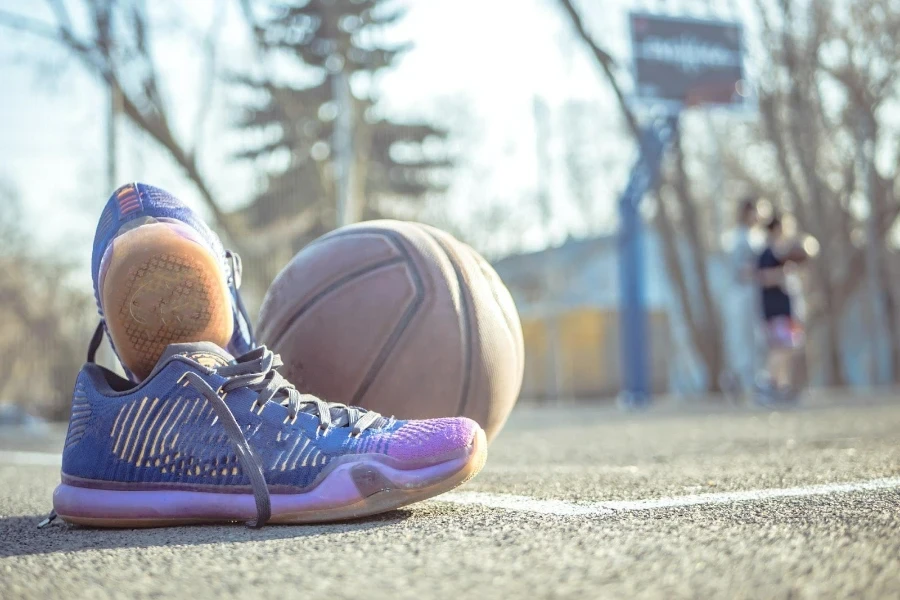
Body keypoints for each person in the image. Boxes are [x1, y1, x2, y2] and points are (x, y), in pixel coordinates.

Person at [40, 182, 487, 529]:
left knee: (208, 377)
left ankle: (122, 443)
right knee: (207, 376)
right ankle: (234, 402)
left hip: (127, 441)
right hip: (205, 408)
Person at [757, 213, 805, 398]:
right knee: (780, 347)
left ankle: (781, 387)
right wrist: (782, 273)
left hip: (785, 308)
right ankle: (768, 383)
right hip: (775, 309)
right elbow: (763, 277)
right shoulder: (768, 253)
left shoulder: (783, 253)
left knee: (788, 347)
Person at [723, 197, 761, 395]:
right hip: (740, 293)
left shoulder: (753, 236)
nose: (760, 216)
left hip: (748, 293)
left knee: (752, 339)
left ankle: (747, 381)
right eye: (756, 211)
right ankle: (741, 381)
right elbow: (742, 270)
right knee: (742, 339)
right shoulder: (739, 238)